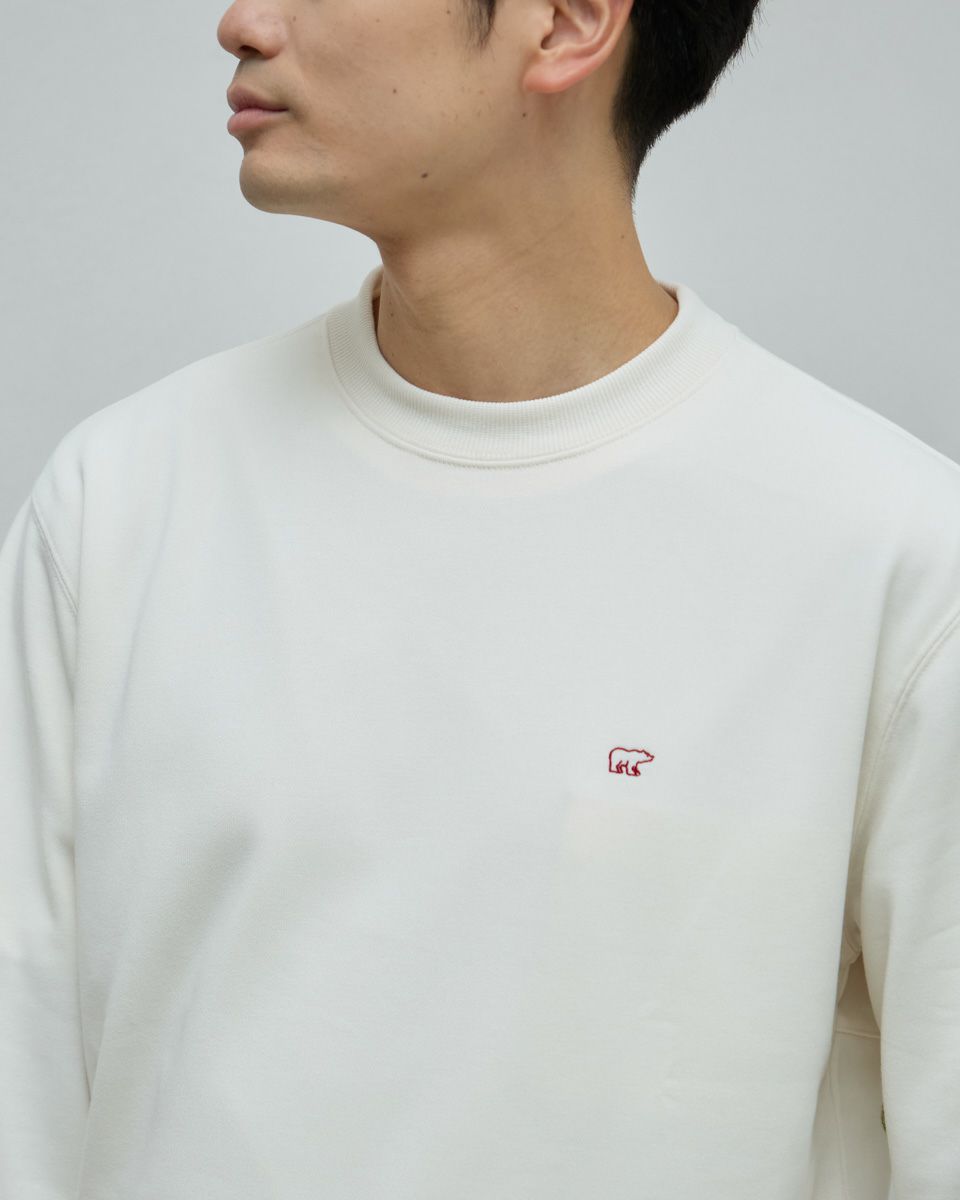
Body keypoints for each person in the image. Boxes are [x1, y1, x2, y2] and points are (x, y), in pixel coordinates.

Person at [2, 0, 957, 1196]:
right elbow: (23, 1106)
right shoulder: (118, 504)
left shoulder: (893, 557)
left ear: (565, 23)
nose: (241, 22)